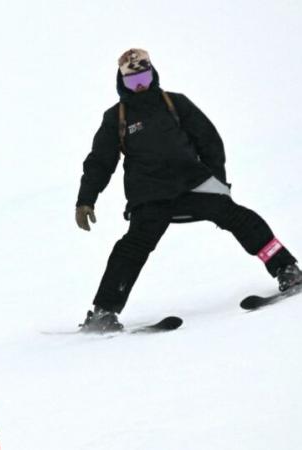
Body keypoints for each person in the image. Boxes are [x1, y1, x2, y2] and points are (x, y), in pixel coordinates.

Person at [75, 48, 302, 333]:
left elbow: (209, 141)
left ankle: (287, 269)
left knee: (238, 217)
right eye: (133, 81)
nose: (141, 85)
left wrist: (218, 183)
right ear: (122, 82)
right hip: (150, 195)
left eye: (144, 77)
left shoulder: (174, 103)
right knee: (131, 247)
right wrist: (86, 199)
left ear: (153, 73)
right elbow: (100, 161)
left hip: (191, 184)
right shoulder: (116, 117)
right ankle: (103, 312)